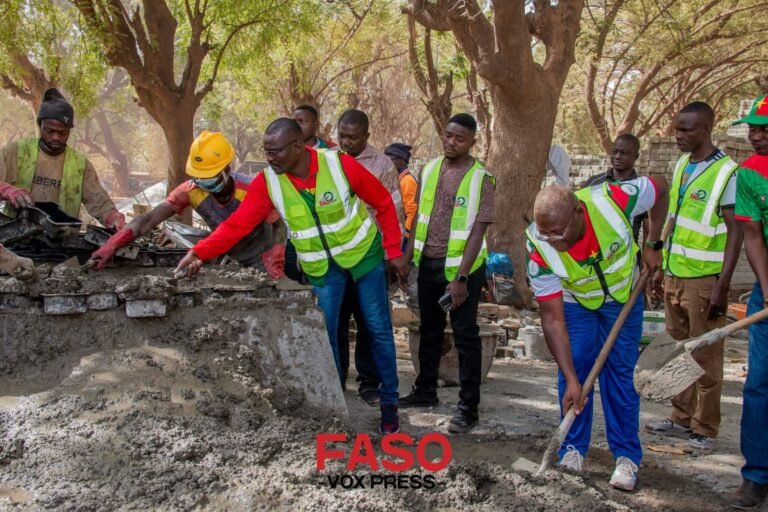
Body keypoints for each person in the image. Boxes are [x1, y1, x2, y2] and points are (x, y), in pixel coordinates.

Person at [174, 118, 407, 434]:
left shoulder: (338, 165)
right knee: (325, 336)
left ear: (298, 147)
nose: (269, 159)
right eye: (266, 151)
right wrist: (199, 252)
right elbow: (236, 226)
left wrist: (393, 251)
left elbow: (381, 201)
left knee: (378, 330)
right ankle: (334, 410)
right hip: (322, 269)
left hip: (363, 258)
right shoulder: (268, 183)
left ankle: (389, 406)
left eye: (275, 151)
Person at [526, 177, 668, 490]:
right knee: (575, 367)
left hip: (623, 298)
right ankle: (572, 449)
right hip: (577, 301)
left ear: (578, 214)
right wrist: (572, 379)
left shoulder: (612, 200)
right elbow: (552, 320)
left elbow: (661, 188)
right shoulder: (539, 248)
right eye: (544, 232)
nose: (551, 240)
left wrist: (653, 243)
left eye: (557, 232)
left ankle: (627, 456)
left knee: (619, 374)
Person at [645, 102, 742, 453]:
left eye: (685, 130)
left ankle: (706, 428)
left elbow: (736, 233)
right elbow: (673, 217)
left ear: (705, 129)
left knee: (706, 355)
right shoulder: (683, 164)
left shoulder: (727, 173)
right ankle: (680, 417)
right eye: (676, 128)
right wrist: (658, 256)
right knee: (676, 349)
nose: (678, 136)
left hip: (705, 279)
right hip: (675, 273)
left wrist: (722, 285)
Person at [398, 113, 495, 435]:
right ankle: (426, 390)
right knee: (430, 329)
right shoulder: (430, 169)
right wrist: (407, 257)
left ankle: (468, 408)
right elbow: (420, 220)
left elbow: (478, 233)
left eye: (460, 138)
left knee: (466, 335)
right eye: (449, 135)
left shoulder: (481, 178)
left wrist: (462, 279)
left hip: (463, 271)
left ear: (472, 142)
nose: (452, 142)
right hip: (429, 262)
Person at [88, 131, 279, 274]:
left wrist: (277, 253)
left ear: (227, 168)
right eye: (198, 176)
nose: (203, 182)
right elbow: (148, 220)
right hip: (229, 259)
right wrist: (113, 244)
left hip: (264, 258)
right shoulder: (191, 191)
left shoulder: (253, 189)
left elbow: (281, 223)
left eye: (209, 176)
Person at [333, 109, 405, 405]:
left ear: (366, 136)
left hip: (370, 257)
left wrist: (392, 254)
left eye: (353, 137)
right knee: (336, 320)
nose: (346, 142)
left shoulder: (382, 164)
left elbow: (395, 209)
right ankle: (336, 379)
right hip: (336, 258)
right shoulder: (328, 160)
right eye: (342, 136)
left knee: (369, 323)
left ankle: (369, 384)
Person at [0, 88, 124, 230]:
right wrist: (7, 190)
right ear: (40, 126)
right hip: (16, 237)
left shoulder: (80, 165)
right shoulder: (15, 152)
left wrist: (113, 217)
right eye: (50, 131)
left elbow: (99, 203)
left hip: (62, 241)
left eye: (62, 133)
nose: (56, 137)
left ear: (69, 131)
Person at [731, 93, 768, 510]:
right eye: (753, 127)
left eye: (765, 128)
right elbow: (753, 237)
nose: (756, 135)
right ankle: (757, 475)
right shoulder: (750, 174)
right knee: (759, 381)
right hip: (766, 282)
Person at [584, 134, 648, 243]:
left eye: (624, 153)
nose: (617, 156)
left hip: (627, 254)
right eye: (615, 152)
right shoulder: (594, 183)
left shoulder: (642, 188)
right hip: (595, 253)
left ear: (636, 156)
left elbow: (648, 228)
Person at [384, 143, 418, 250]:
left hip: (403, 236)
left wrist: (405, 235)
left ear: (401, 161)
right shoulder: (397, 179)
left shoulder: (408, 181)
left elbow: (412, 211)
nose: (387, 164)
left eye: (390, 160)